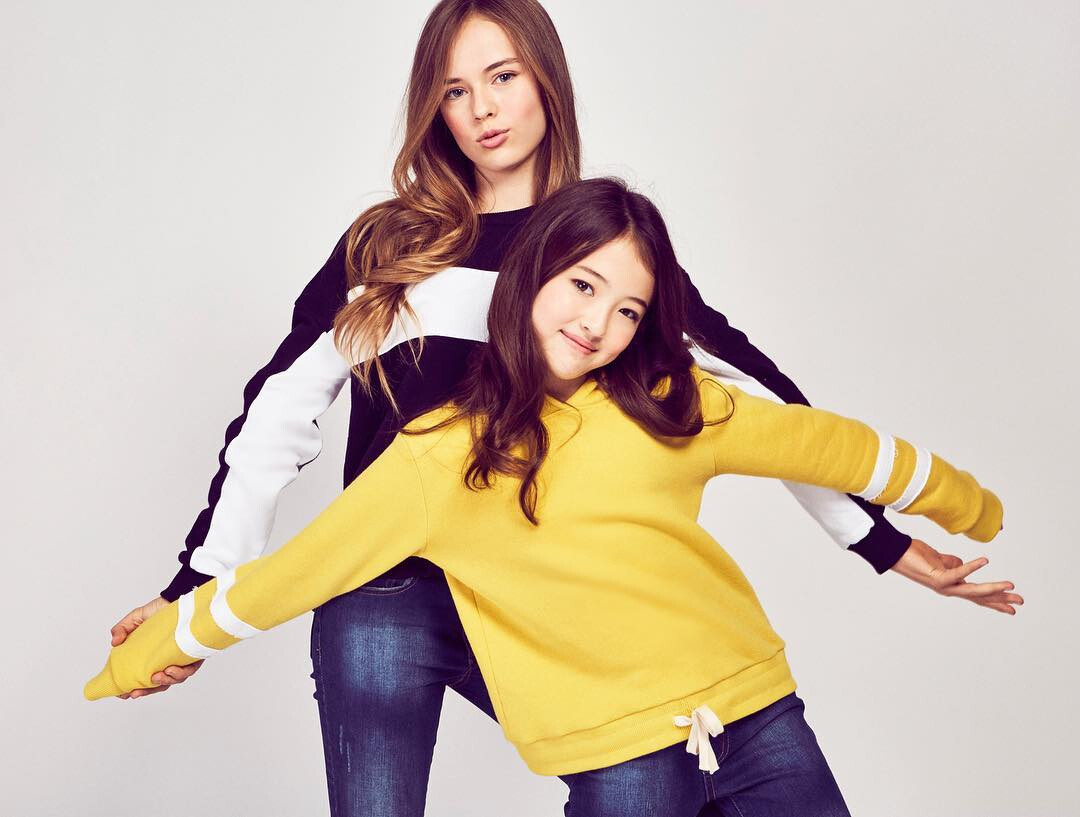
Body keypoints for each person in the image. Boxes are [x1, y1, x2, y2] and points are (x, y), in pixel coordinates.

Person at [106, 1, 1022, 814]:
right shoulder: (388, 246)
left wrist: (879, 540)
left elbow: (758, 408)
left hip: (538, 591)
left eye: (503, 76)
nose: (483, 108)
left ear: (547, 78)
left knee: (663, 759)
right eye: (456, 90)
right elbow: (277, 414)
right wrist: (195, 587)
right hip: (385, 583)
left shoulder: (602, 248)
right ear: (435, 109)